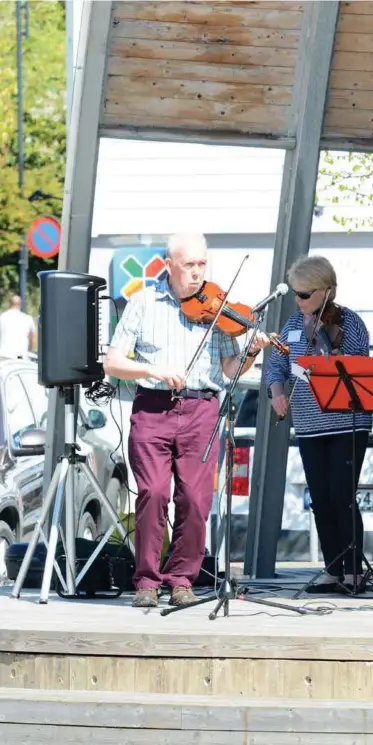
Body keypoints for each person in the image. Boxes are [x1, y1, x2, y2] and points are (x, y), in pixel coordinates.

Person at [104, 233, 270, 608]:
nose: (197, 273)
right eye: (189, 265)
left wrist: (251, 352)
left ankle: (181, 579)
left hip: (201, 410)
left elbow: (230, 369)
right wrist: (154, 370)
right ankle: (146, 581)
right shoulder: (143, 302)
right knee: (154, 493)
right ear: (169, 265)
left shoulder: (218, 306)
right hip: (153, 408)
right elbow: (113, 362)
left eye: (202, 264)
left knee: (196, 499)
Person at [265, 255, 372, 594]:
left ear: (326, 290)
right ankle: (332, 569)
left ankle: (354, 570)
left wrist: (321, 343)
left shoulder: (350, 322)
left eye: (305, 294)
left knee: (342, 495)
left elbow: (354, 367)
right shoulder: (292, 324)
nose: (298, 301)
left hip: (346, 422)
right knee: (321, 498)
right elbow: (276, 365)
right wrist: (276, 392)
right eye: (295, 294)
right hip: (310, 425)